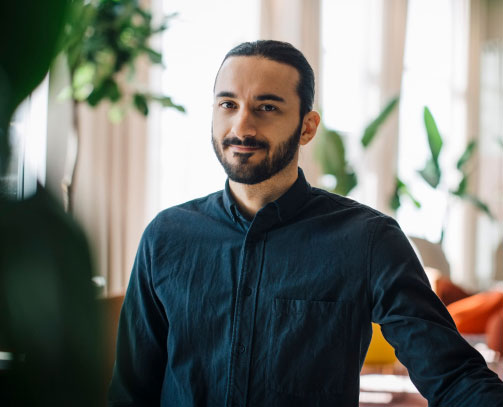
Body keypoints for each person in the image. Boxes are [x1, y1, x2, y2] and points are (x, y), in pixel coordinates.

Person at [108, 40, 503, 407]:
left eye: (267, 107)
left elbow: (453, 376)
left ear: (308, 126)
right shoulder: (165, 237)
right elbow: (131, 392)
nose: (242, 127)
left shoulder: (368, 241)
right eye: (228, 104)